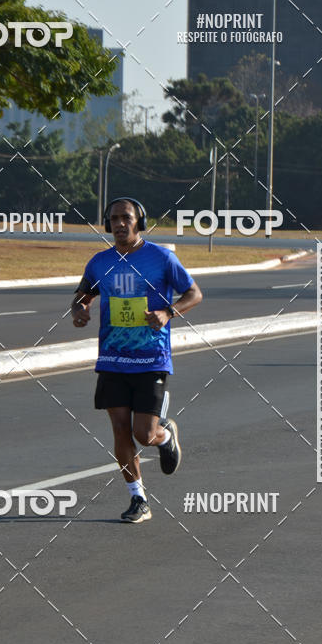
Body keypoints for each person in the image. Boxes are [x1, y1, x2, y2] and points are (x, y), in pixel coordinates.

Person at [71, 197, 203, 523]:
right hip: (113, 359)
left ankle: (165, 435)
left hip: (152, 359)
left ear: (139, 221)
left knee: (144, 434)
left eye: (126, 218)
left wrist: (168, 312)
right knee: (119, 429)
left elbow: (194, 293)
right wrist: (80, 308)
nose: (119, 224)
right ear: (107, 224)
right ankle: (138, 499)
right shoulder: (100, 262)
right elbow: (83, 294)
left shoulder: (161, 258)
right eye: (113, 219)